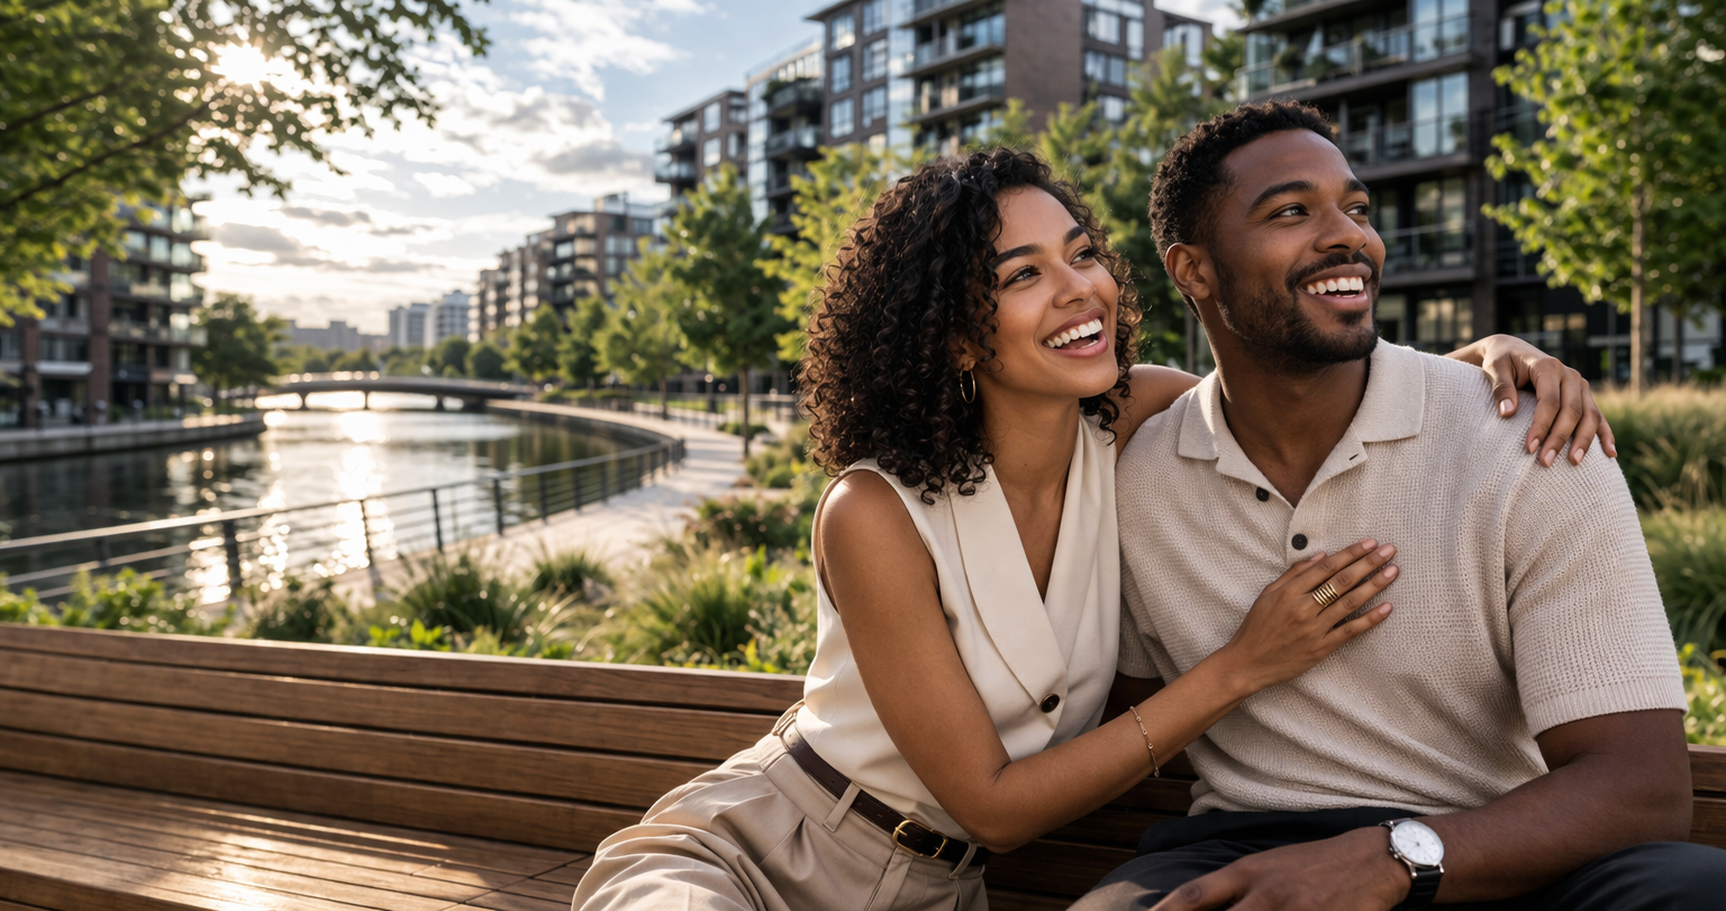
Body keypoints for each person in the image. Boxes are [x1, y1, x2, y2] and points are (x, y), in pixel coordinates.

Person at [571, 148, 1608, 911]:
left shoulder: (1128, 419)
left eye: (1079, 254)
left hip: (936, 896)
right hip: (755, 851)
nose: (1082, 291)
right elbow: (995, 808)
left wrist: (1489, 361)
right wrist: (1243, 663)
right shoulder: (874, 512)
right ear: (952, 335)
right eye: (1021, 275)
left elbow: (1295, 375)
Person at [1074, 101, 1726, 911]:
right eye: (1290, 211)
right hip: (1240, 846)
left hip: (1491, 848)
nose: (1349, 235)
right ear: (1193, 270)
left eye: (1355, 208)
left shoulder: (1531, 442)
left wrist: (1386, 859)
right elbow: (1133, 716)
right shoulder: (1138, 475)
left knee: (1696, 890)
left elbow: (1643, 788)